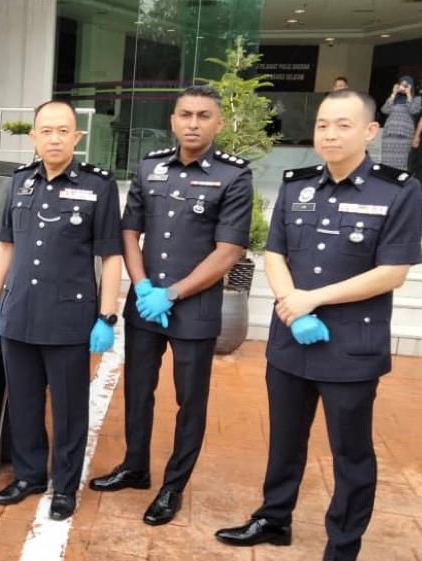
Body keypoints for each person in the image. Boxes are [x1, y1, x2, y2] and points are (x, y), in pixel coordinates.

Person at [215, 90, 422, 561]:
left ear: (370, 131)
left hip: (351, 346)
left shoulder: (396, 189)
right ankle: (274, 518)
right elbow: (274, 254)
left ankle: (342, 546)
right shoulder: (297, 185)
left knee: (350, 453)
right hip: (291, 339)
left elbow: (394, 271)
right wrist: (293, 302)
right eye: (323, 124)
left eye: (343, 125)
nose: (330, 133)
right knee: (285, 440)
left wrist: (314, 299)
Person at [88, 85, 254, 527]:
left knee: (190, 401)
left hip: (193, 309)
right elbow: (129, 232)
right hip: (146, 306)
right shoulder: (149, 167)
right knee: (137, 390)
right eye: (185, 115)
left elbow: (229, 250)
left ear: (218, 124)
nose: (193, 123)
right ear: (173, 120)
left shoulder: (234, 176)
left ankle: (172, 486)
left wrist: (173, 293)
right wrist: (142, 287)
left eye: (203, 116)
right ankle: (135, 467)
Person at [0, 99, 123, 521]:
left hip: (68, 319)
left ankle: (64, 486)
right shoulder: (20, 182)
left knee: (68, 409)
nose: (55, 138)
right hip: (19, 313)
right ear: (34, 137)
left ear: (77, 137)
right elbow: (6, 244)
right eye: (47, 130)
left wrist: (106, 316)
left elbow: (111, 256)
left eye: (64, 130)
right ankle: (28, 475)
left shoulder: (98, 185)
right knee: (23, 403)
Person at [379, 75, 421, 170]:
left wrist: (409, 95)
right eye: (401, 84)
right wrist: (393, 94)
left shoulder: (416, 99)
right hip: (389, 134)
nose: (403, 87)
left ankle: (398, 181)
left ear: (411, 86)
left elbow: (414, 110)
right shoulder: (393, 99)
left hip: (405, 135)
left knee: (402, 161)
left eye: (406, 85)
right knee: (386, 161)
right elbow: (384, 110)